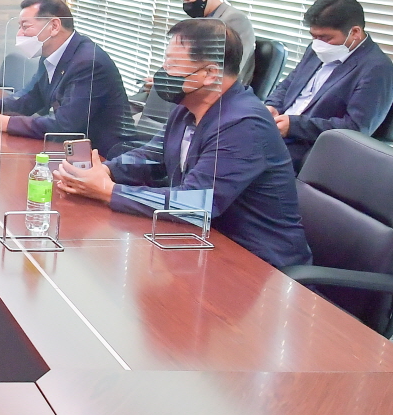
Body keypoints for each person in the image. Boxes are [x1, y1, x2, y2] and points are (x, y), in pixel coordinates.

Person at [55, 19, 312, 269]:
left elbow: (195, 203)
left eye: (172, 64)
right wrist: (106, 170)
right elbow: (153, 155)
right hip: (204, 241)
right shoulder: (190, 106)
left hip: (259, 262)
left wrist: (108, 190)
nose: (163, 72)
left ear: (210, 74)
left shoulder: (244, 124)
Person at [0, 0, 129, 156]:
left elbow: (65, 125)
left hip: (104, 158)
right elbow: (30, 97)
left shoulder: (89, 63)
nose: (19, 34)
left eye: (25, 27)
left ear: (54, 26)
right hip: (68, 151)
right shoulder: (51, 53)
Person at [266, 0, 393, 172]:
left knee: (238, 160)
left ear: (355, 32)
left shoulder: (377, 70)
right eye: (314, 36)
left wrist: (295, 126)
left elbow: (355, 130)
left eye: (326, 38)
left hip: (309, 148)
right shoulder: (317, 50)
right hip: (277, 133)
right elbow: (289, 84)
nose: (318, 44)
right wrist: (272, 106)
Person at [174, 0, 256, 83]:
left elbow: (227, 72)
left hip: (220, 89)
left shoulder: (235, 20)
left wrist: (179, 84)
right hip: (196, 84)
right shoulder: (200, 21)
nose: (186, 4)